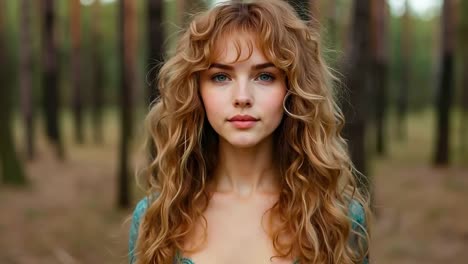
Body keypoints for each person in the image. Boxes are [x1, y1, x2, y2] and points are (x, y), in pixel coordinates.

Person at [129, 1, 370, 263]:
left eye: (264, 76)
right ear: (195, 91)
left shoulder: (338, 217)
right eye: (221, 77)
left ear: (293, 89)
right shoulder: (156, 218)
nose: (242, 97)